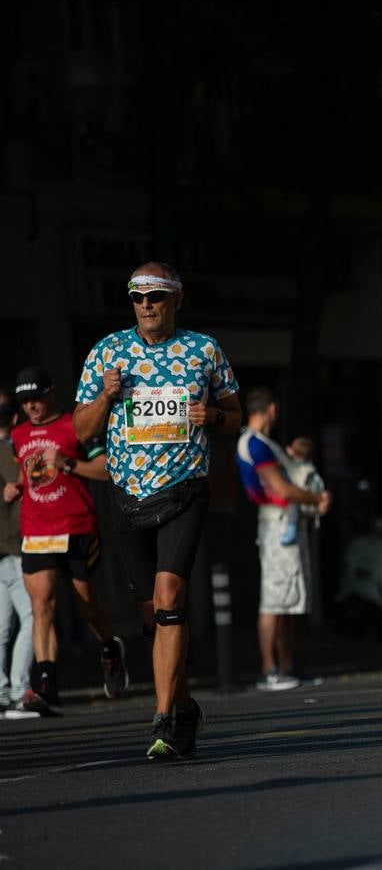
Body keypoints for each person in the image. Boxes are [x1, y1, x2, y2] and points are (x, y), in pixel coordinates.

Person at [73, 262, 242, 759]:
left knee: (170, 600)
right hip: (128, 495)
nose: (147, 304)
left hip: (184, 490)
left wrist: (211, 415)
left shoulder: (204, 350)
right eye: (138, 296)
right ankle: (184, 704)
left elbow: (235, 416)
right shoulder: (108, 352)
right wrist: (106, 395)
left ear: (176, 300)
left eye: (156, 296)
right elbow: (81, 432)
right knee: (151, 617)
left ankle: (164, 719)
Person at [4, 366, 127, 717]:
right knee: (42, 606)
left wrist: (68, 464)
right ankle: (46, 684)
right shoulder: (18, 434)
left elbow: (107, 469)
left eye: (36, 398)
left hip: (76, 528)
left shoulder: (76, 425)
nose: (31, 406)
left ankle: (109, 647)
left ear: (50, 393)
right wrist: (13, 487)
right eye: (24, 401)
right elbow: (23, 473)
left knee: (87, 605)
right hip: (37, 531)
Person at [236, 387, 332, 691]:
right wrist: (316, 498)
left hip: (286, 524)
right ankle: (270, 669)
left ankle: (286, 666)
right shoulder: (255, 444)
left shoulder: (264, 443)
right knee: (273, 600)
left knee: (287, 600)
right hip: (276, 525)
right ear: (272, 410)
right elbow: (282, 489)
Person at [0, 391, 37, 719]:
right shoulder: (11, 448)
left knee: (2, 625)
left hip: (5, 549)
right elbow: (18, 484)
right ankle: (17, 691)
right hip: (16, 545)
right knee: (32, 617)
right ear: (14, 419)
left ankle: (3, 693)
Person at [282, 436, 324, 547]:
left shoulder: (295, 467)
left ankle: (291, 529)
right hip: (309, 509)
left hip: (298, 504)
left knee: (292, 501)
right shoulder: (310, 468)